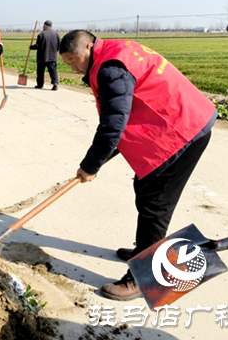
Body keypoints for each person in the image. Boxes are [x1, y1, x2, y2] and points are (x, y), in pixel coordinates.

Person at [58, 30, 216, 301]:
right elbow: (120, 121)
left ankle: (144, 276)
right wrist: (96, 163)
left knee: (155, 203)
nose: (73, 67)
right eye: (67, 63)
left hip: (182, 130)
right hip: (176, 119)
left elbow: (112, 126)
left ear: (88, 46)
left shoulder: (110, 69)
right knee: (144, 188)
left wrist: (91, 165)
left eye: (74, 59)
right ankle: (146, 248)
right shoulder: (113, 51)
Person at [30, 20, 60, 90]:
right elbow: (59, 45)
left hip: (42, 57)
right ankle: (55, 83)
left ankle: (40, 84)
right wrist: (54, 52)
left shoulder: (41, 34)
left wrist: (31, 47)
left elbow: (38, 45)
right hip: (52, 57)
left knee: (40, 71)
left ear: (44, 26)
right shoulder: (56, 34)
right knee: (53, 71)